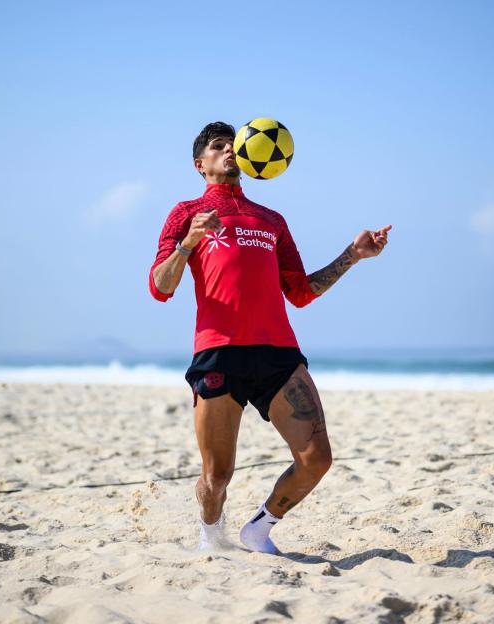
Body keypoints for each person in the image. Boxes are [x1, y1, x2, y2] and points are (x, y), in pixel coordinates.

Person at [149, 121, 391, 554]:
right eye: (218, 146)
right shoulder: (186, 212)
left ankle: (259, 529)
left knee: (318, 458)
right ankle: (211, 532)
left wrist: (352, 256)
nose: (229, 150)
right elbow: (160, 287)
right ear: (199, 164)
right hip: (218, 352)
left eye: (232, 144)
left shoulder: (270, 219)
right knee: (216, 477)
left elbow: (299, 292)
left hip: (277, 352)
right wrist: (188, 243)